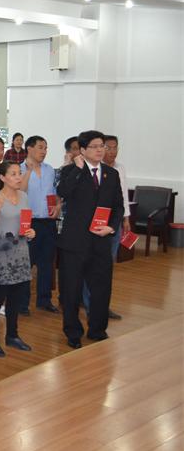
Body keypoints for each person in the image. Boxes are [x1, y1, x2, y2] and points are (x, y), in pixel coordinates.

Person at [57, 130, 124, 349]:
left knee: (101, 287)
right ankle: (73, 332)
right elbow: (63, 192)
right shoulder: (70, 171)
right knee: (71, 289)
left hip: (101, 240)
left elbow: (118, 206)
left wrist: (111, 227)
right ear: (83, 150)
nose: (100, 150)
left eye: (102, 146)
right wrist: (77, 169)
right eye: (94, 146)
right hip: (75, 242)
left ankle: (97, 329)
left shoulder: (111, 174)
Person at [0, 162, 35, 357]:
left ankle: (12, 335)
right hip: (1, 255)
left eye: (19, 173)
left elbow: (26, 223)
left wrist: (31, 232)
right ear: (2, 177)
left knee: (16, 298)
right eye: (13, 174)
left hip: (21, 252)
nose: (18, 177)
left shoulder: (24, 197)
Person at [82, 135, 128, 320]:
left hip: (111, 227)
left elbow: (121, 200)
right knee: (89, 268)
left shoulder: (117, 171)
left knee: (106, 268)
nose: (109, 151)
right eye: (105, 147)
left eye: (114, 147)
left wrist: (123, 220)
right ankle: (89, 305)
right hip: (90, 230)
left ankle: (101, 306)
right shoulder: (85, 171)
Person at [20, 136, 61, 314]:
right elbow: (19, 192)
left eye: (45, 148)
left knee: (47, 263)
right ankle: (22, 303)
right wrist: (28, 172)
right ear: (29, 149)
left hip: (48, 222)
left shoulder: (50, 170)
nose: (44, 151)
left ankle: (44, 300)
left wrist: (58, 206)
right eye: (40, 147)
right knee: (26, 263)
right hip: (28, 222)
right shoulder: (19, 169)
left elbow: (55, 193)